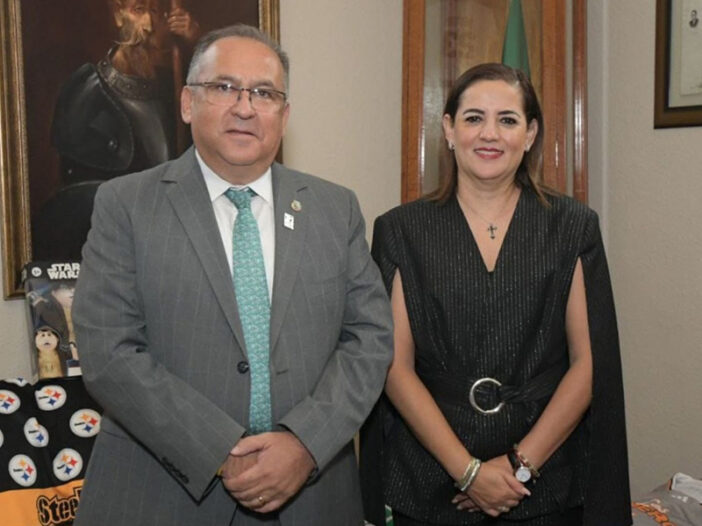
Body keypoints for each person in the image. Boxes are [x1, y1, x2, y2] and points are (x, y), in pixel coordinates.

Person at [72, 24, 393, 526]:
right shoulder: (126, 205)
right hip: (161, 498)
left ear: (284, 115)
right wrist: (220, 450)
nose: (245, 107)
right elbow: (108, 351)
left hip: (311, 498)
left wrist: (305, 443)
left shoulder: (335, 209)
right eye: (224, 87)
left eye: (264, 93)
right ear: (187, 103)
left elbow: (369, 339)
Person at [360, 63, 630, 526]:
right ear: (449, 129)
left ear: (530, 134)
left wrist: (519, 467)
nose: (490, 134)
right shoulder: (401, 230)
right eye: (473, 118)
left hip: (544, 484)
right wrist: (468, 473)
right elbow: (395, 368)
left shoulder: (572, 227)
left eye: (507, 119)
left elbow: (588, 364)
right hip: (430, 483)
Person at [37, 0, 200, 260]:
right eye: (138, 10)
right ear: (117, 14)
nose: (148, 26)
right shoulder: (86, 92)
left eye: (154, 12)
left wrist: (195, 48)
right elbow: (74, 205)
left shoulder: (176, 87)